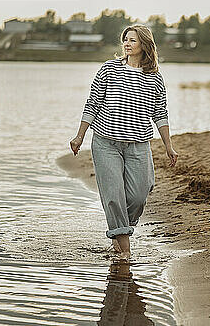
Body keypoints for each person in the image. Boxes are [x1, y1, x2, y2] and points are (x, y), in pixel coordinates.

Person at [69, 24, 178, 262]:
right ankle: (125, 249)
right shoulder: (108, 69)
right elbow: (93, 104)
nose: (127, 44)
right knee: (113, 196)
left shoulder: (155, 78)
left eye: (133, 40)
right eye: (125, 40)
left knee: (140, 194)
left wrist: (168, 145)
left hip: (139, 144)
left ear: (144, 46)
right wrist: (80, 136)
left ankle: (119, 230)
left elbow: (160, 113)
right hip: (106, 142)